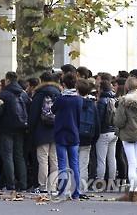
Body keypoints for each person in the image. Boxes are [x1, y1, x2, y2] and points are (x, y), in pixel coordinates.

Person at [28, 71, 61, 193]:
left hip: (42, 130)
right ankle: (53, 186)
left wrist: (31, 129)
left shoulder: (40, 94)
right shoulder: (58, 93)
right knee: (54, 160)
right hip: (56, 130)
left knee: (42, 159)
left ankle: (42, 186)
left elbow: (34, 114)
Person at [0, 71, 29, 192]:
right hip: (21, 128)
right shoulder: (23, 94)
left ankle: (10, 183)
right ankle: (23, 182)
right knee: (19, 156)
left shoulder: (3, 94)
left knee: (7, 155)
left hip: (6, 128)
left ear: (8, 80)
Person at [52, 72, 82, 200]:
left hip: (60, 133)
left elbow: (53, 110)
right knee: (75, 164)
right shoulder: (79, 100)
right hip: (74, 133)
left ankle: (62, 191)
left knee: (62, 164)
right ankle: (76, 192)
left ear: (63, 84)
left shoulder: (60, 99)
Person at [77, 79, 100, 198]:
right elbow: (97, 124)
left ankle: (72, 188)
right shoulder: (92, 104)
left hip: (74, 137)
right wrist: (93, 139)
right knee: (83, 165)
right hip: (87, 137)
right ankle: (82, 189)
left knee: (72, 163)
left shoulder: (74, 103)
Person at [95, 79, 118, 183]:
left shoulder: (102, 101)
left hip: (104, 132)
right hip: (114, 132)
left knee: (101, 159)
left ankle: (100, 182)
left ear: (101, 88)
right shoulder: (115, 99)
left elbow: (99, 119)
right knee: (112, 158)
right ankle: (112, 181)